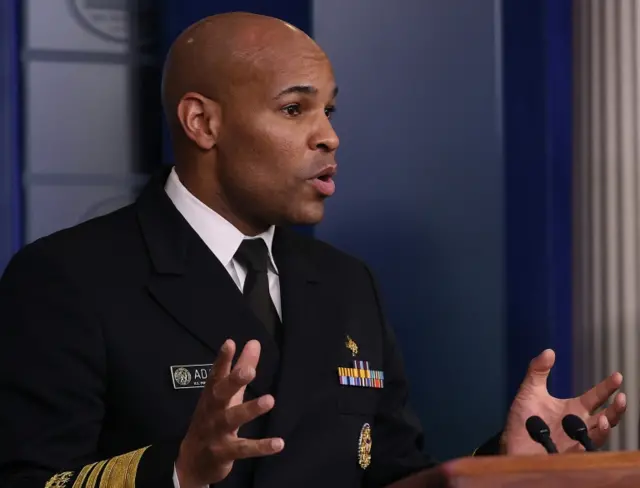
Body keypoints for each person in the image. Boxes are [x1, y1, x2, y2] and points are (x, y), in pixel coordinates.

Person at [0, 11, 627, 488]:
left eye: (327, 110)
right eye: (294, 108)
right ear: (202, 123)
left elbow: (390, 475)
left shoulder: (347, 283)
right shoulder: (66, 278)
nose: (328, 136)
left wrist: (504, 463)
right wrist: (181, 471)